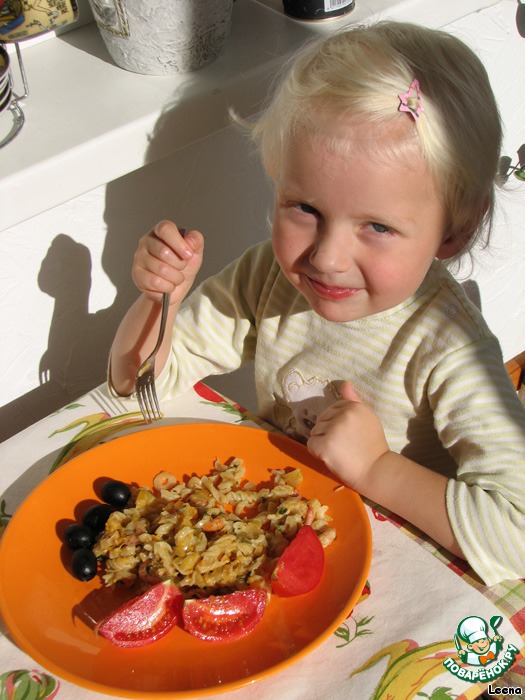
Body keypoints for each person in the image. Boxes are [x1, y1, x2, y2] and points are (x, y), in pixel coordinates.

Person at [108, 21, 525, 586]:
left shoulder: (450, 346)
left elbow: (516, 535)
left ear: (453, 232)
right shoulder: (269, 277)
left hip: (405, 576)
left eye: (376, 225)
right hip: (286, 555)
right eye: (304, 208)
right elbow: (138, 387)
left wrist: (378, 468)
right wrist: (160, 303)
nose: (326, 258)